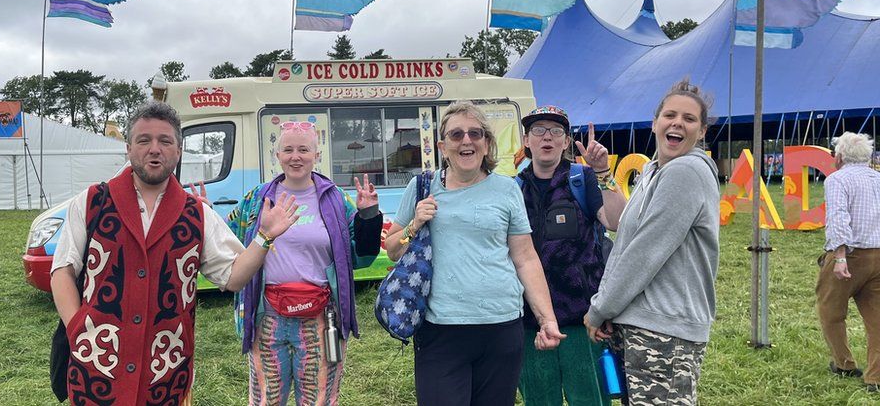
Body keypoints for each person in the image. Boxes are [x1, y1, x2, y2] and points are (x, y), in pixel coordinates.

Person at [51, 101, 299, 405]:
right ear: (128, 148)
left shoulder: (197, 215)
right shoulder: (92, 202)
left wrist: (265, 236)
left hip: (165, 375)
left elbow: (233, 277)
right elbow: (62, 269)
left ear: (178, 151)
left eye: (165, 141)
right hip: (97, 372)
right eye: (144, 140)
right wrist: (76, 328)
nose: (154, 149)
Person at [385, 100, 566, 406]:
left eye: (475, 133)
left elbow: (525, 258)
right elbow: (391, 249)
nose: (466, 140)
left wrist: (546, 318)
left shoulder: (508, 190)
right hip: (440, 329)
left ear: (486, 143)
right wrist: (414, 225)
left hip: (501, 327)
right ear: (443, 146)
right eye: (456, 135)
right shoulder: (422, 187)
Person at [584, 79, 720, 406]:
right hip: (639, 323)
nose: (677, 123)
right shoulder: (652, 171)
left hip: (665, 332)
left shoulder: (686, 172)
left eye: (689, 119)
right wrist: (603, 173)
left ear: (701, 132)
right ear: (655, 122)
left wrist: (600, 308)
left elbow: (644, 254)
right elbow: (622, 232)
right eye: (670, 115)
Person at [228, 120, 383, 406]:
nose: (295, 156)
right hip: (268, 318)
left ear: (316, 155)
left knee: (320, 400)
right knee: (265, 401)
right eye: (287, 149)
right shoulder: (256, 199)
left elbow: (362, 256)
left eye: (303, 149)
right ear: (278, 156)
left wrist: (368, 217)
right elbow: (227, 242)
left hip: (322, 320)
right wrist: (200, 215)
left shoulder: (335, 199)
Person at [515, 106, 626, 406]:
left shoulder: (583, 179)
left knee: (590, 399)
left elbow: (616, 222)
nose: (546, 137)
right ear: (526, 140)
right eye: (538, 130)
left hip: (583, 321)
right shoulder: (514, 188)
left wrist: (603, 172)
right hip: (531, 323)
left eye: (555, 131)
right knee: (539, 401)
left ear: (566, 142)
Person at [816, 132, 880, 391]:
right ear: (869, 156)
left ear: (838, 157)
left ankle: (844, 363)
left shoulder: (837, 180)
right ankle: (875, 377)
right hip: (878, 255)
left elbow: (839, 217)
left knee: (830, 310)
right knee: (877, 319)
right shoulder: (879, 179)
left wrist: (840, 257)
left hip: (850, 255)